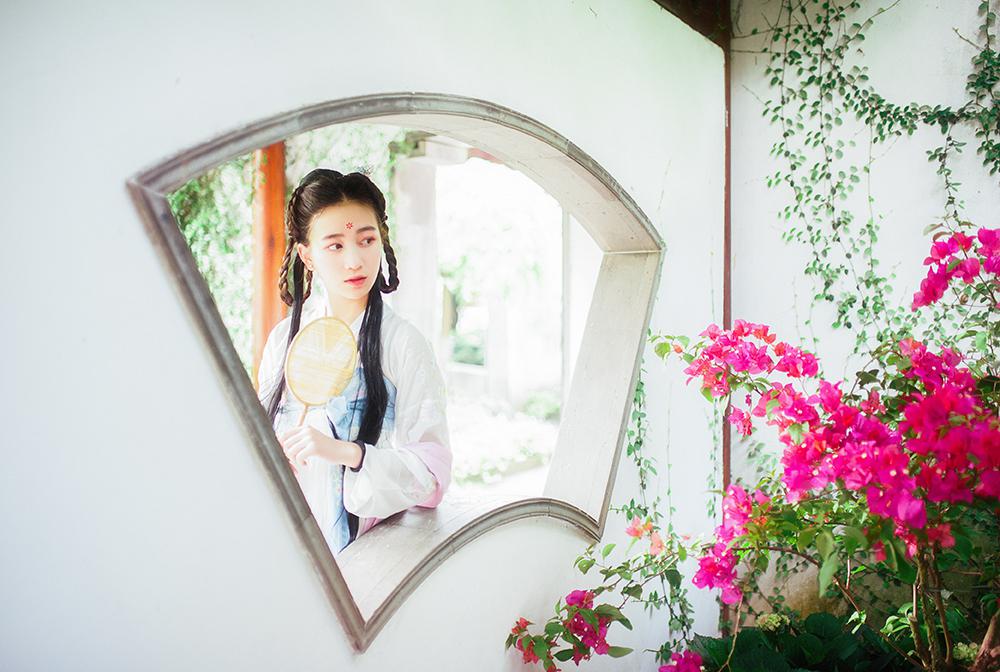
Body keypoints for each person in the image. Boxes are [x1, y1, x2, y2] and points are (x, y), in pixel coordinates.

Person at [256, 168, 451, 555]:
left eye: (366, 240)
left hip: (361, 551)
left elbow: (432, 475)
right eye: (335, 245)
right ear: (307, 255)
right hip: (281, 538)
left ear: (382, 240)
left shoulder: (402, 343)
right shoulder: (283, 340)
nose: (354, 261)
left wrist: (347, 452)